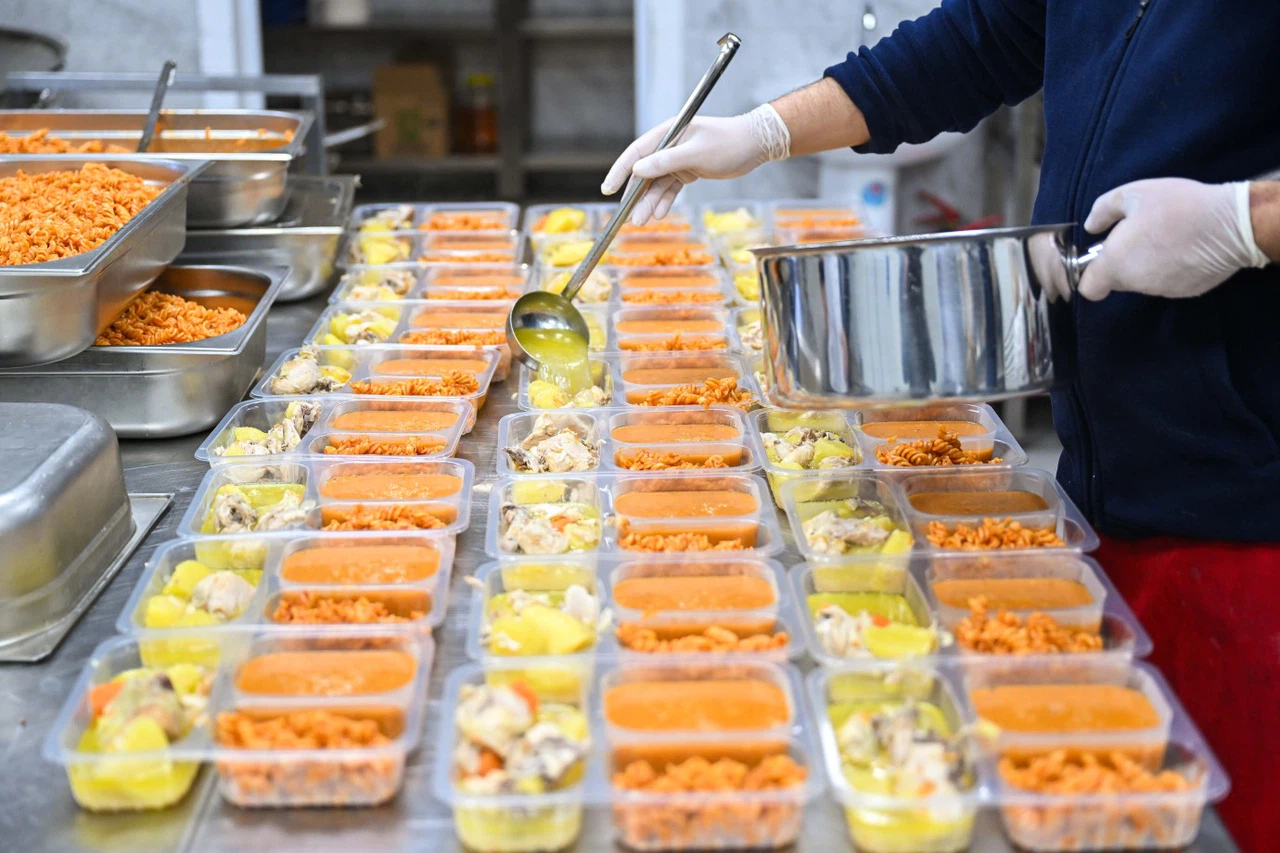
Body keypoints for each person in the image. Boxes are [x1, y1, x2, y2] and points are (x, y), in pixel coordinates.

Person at [603, 3, 1280, 851]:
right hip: (1113, 468)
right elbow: (974, 43)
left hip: (1252, 499)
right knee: (1101, 794)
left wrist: (1244, 221)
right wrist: (765, 130)